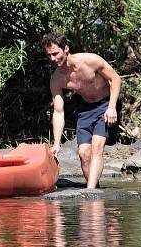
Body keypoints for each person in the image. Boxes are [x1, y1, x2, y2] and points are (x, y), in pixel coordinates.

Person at [43, 31, 122, 189]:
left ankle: (90, 192)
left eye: (55, 53)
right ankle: (95, 190)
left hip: (106, 104)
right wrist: (57, 143)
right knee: (84, 153)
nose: (52, 59)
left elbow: (115, 79)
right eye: (49, 55)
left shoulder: (90, 60)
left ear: (66, 48)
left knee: (97, 146)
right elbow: (58, 111)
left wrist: (112, 107)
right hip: (86, 108)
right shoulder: (57, 79)